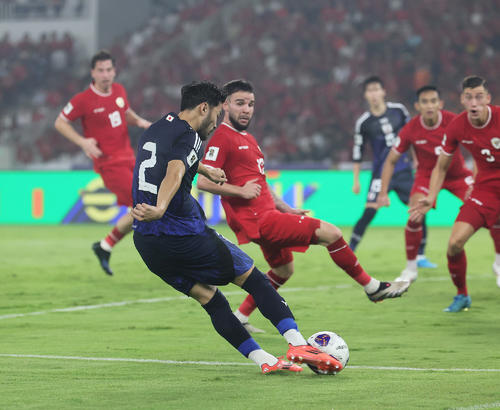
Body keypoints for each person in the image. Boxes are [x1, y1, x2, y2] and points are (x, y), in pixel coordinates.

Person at [131, 81, 345, 374]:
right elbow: (175, 169)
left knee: (211, 299)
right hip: (183, 234)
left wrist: (204, 168)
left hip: (147, 243)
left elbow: (167, 161)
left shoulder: (156, 129)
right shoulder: (192, 137)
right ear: (203, 108)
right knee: (255, 279)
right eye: (217, 114)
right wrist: (161, 206)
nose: (217, 122)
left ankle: (265, 360)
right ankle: (297, 343)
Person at [197, 79, 409, 333]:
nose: (247, 109)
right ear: (225, 105)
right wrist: (239, 191)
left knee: (283, 269)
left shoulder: (248, 139)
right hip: (258, 220)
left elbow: (261, 184)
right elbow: (203, 182)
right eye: (240, 103)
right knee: (332, 233)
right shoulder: (222, 138)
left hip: (269, 214)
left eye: (251, 104)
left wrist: (286, 208)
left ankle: (240, 316)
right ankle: (372, 287)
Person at [55, 50, 152, 276]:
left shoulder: (119, 91)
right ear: (93, 73)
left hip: (130, 158)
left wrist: (140, 121)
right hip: (109, 164)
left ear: (114, 71)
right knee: (144, 204)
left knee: (142, 207)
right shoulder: (82, 100)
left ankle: (105, 246)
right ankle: (173, 251)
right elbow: (60, 122)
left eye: (109, 69)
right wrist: (83, 142)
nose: (106, 74)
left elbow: (125, 112)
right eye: (101, 70)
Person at [411, 76, 500, 312]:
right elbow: (441, 166)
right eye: (469, 97)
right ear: (462, 100)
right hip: (485, 190)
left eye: (479, 96)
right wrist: (431, 196)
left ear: (488, 99)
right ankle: (462, 295)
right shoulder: (457, 126)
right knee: (454, 243)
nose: (474, 102)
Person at [377, 85, 480, 283]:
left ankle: (498, 264)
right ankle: (410, 268)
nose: (429, 105)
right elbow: (390, 160)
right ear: (418, 106)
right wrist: (383, 192)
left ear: (440, 104)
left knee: (488, 211)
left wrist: (476, 180)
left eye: (433, 101)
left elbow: (476, 148)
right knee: (414, 215)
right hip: (425, 176)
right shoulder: (411, 129)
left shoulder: (453, 121)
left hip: (457, 175)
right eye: (425, 102)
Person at [350, 76, 436, 268]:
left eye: (376, 89)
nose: (373, 94)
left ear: (383, 91)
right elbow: (358, 151)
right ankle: (350, 250)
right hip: (380, 174)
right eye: (369, 90)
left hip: (404, 170)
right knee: (369, 212)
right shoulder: (364, 123)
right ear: (366, 95)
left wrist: (416, 159)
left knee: (419, 209)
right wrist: (356, 180)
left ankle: (420, 255)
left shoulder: (399, 111)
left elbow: (412, 134)